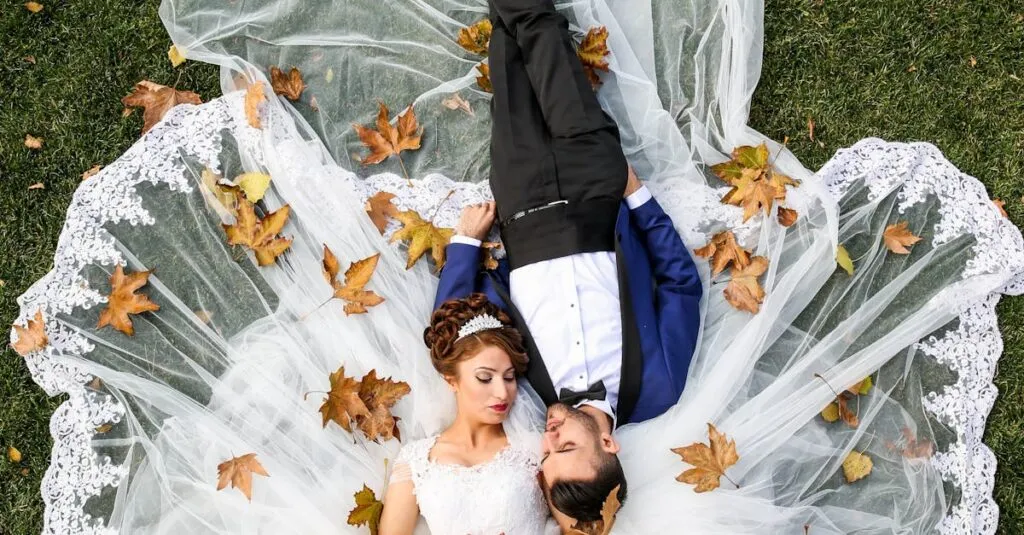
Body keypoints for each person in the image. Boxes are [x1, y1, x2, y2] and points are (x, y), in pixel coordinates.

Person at [433, 0, 702, 528]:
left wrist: (465, 245)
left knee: (507, 55)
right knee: (542, 34)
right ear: (608, 443)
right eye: (567, 447)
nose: (549, 439)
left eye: (546, 457)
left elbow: (460, 332)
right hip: (596, 188)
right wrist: (639, 197)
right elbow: (680, 284)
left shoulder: (522, 393)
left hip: (522, 203)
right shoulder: (659, 387)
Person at [379, 295, 550, 534]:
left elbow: (578, 527)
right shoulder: (415, 461)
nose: (502, 392)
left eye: (509, 377)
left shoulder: (536, 449)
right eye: (485, 378)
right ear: (452, 381)